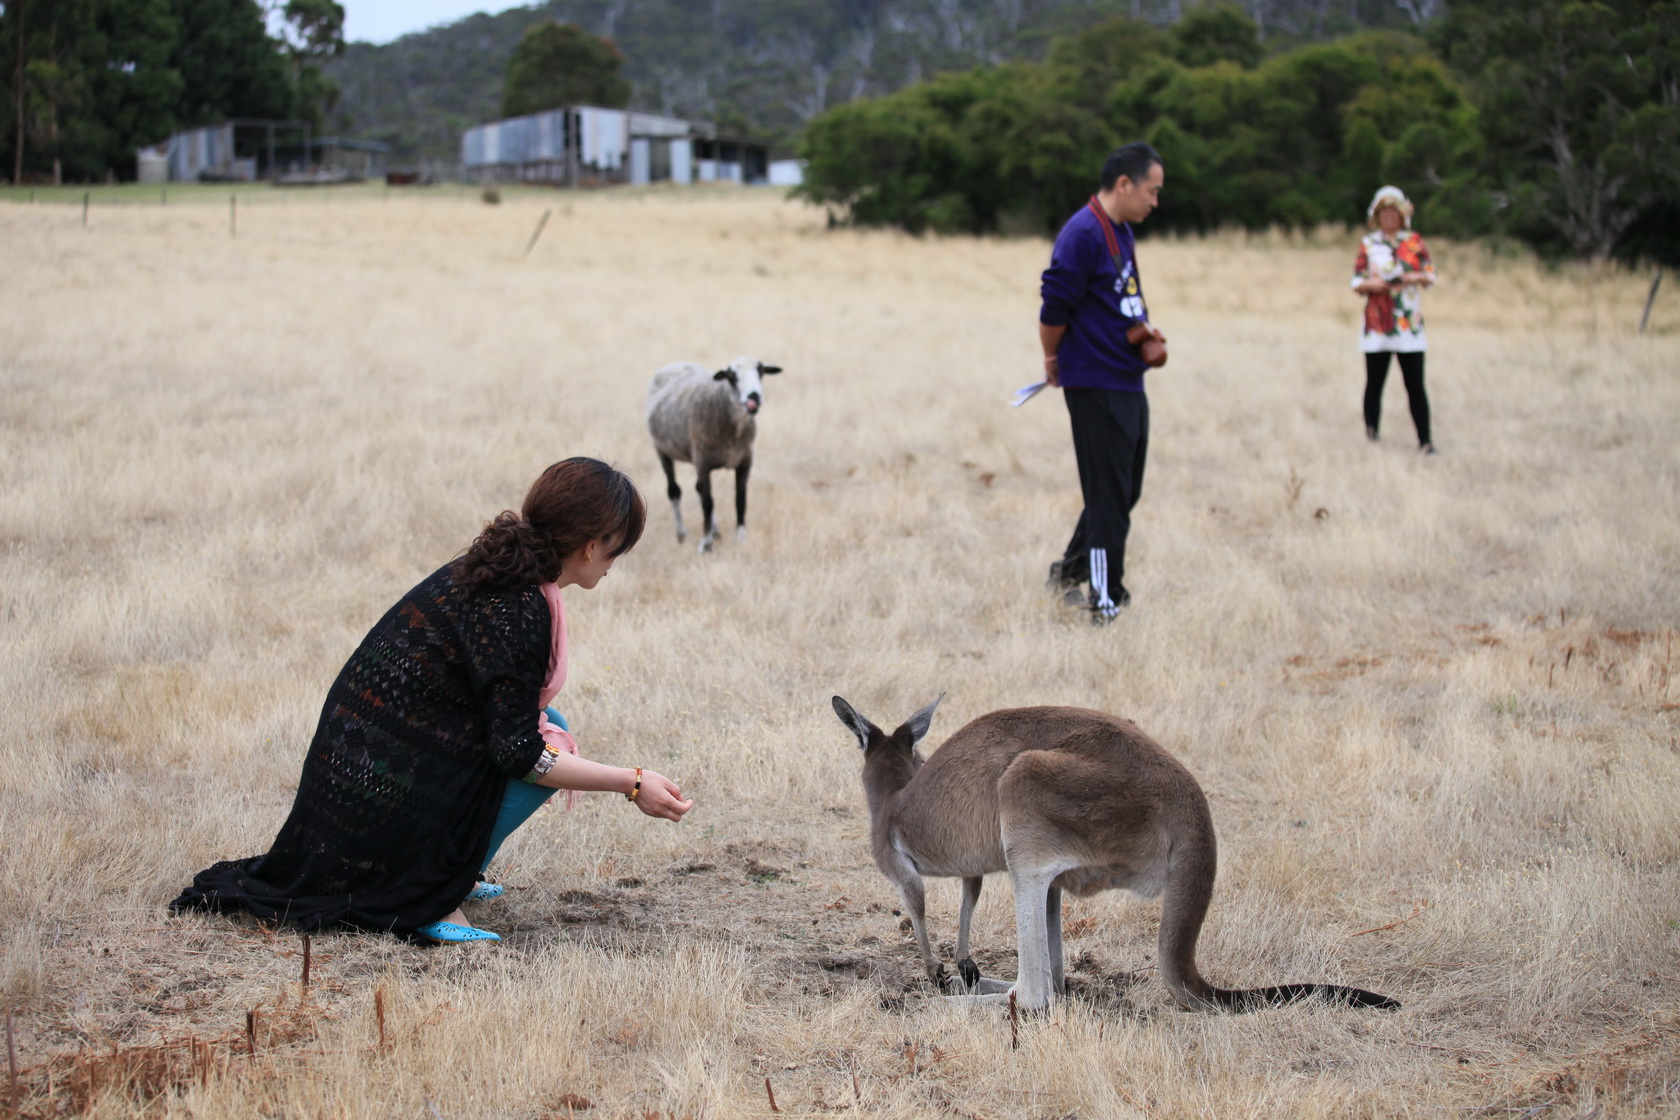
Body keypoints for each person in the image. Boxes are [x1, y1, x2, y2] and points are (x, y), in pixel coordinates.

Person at [171, 458, 692, 944]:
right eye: (617, 547)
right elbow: (520, 756)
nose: (616, 562)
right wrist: (633, 782)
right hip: (376, 793)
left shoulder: (498, 567)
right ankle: (425, 899)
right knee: (546, 744)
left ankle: (449, 875)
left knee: (550, 722)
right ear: (591, 544)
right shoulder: (519, 607)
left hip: (362, 774)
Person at [1040, 142, 1167, 623]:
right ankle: (1104, 595)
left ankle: (1068, 571)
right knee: (1108, 494)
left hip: (1126, 376)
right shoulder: (1083, 233)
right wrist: (1053, 356)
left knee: (1124, 488)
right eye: (1151, 191)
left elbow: (1122, 295)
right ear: (1123, 184)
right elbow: (1053, 306)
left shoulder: (1121, 231)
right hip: (1095, 380)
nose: (1155, 201)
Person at [1352, 185, 1437, 452]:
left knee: (1415, 384)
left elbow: (1430, 274)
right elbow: (1357, 280)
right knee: (1374, 383)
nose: (1389, 217)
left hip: (1407, 324)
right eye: (1384, 212)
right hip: (1378, 324)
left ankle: (1425, 441)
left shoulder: (1413, 241)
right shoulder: (1370, 243)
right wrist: (1375, 284)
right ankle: (1372, 437)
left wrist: (1411, 278)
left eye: (1393, 212)